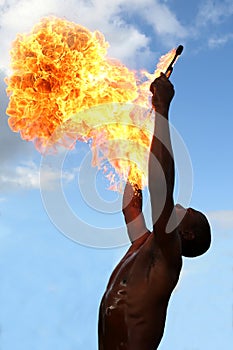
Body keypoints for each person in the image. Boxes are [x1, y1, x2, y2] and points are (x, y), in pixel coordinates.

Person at [98, 73, 211, 350]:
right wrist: (136, 156)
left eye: (189, 211)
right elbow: (131, 206)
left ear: (186, 233)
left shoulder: (167, 256)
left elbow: (161, 192)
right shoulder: (142, 243)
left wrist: (162, 111)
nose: (183, 205)